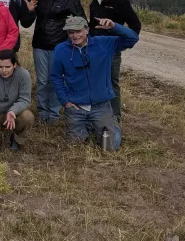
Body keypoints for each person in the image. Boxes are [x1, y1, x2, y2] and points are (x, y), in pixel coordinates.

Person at [51, 16, 139, 151]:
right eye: (70, 32)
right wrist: (65, 101)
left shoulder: (103, 43)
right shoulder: (61, 50)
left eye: (78, 31)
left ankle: (113, 126)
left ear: (86, 30)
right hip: (76, 107)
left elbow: (132, 39)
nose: (74, 36)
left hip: (100, 105)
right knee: (75, 147)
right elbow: (56, 77)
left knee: (109, 147)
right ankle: (90, 127)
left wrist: (114, 26)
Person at [33, 0, 86, 123]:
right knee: (42, 81)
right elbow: (29, 15)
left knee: (56, 80)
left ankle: (54, 113)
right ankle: (42, 112)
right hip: (40, 44)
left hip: (60, 45)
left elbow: (82, 22)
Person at [89, 0, 141, 121]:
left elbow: (135, 27)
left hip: (111, 52)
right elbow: (92, 27)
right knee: (95, 81)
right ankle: (97, 116)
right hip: (95, 50)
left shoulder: (121, 2)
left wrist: (119, 45)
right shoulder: (94, 2)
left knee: (111, 84)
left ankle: (115, 118)